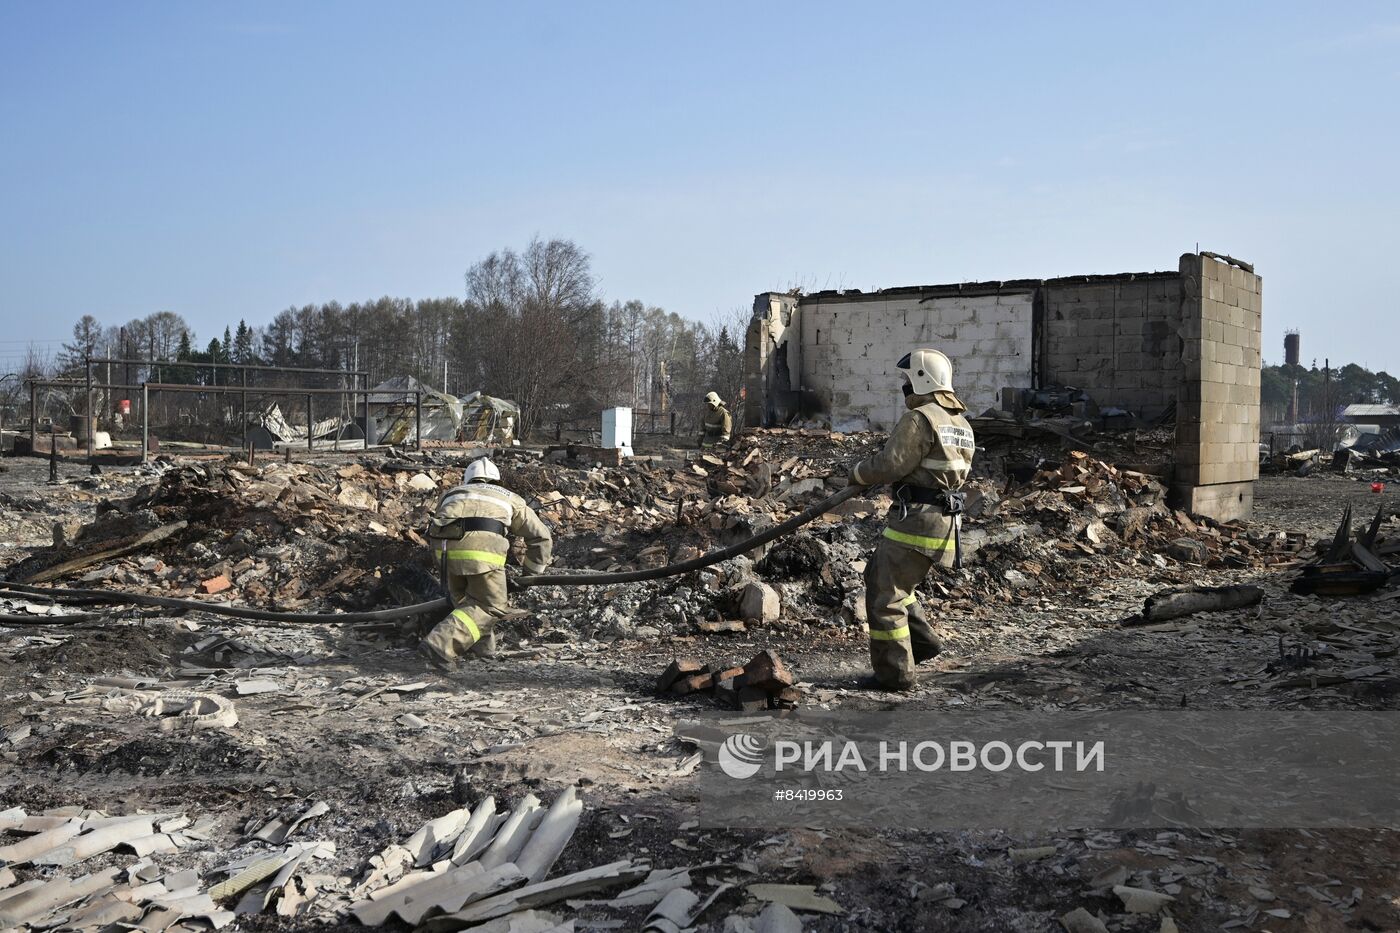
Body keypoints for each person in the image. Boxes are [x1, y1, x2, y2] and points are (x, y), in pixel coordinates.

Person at [847, 349, 975, 691]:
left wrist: (857, 473)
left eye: (908, 379)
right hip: (945, 522)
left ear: (923, 379)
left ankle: (895, 675)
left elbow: (891, 464)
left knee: (885, 596)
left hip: (917, 521)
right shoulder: (960, 423)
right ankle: (922, 643)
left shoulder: (920, 419)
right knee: (884, 577)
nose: (905, 386)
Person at [421, 458, 552, 663]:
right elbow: (541, 537)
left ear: (468, 479)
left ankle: (481, 651)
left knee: (467, 605)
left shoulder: (451, 494)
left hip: (444, 554)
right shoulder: (509, 497)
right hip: (481, 553)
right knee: (490, 606)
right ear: (497, 480)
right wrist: (530, 574)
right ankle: (439, 644)